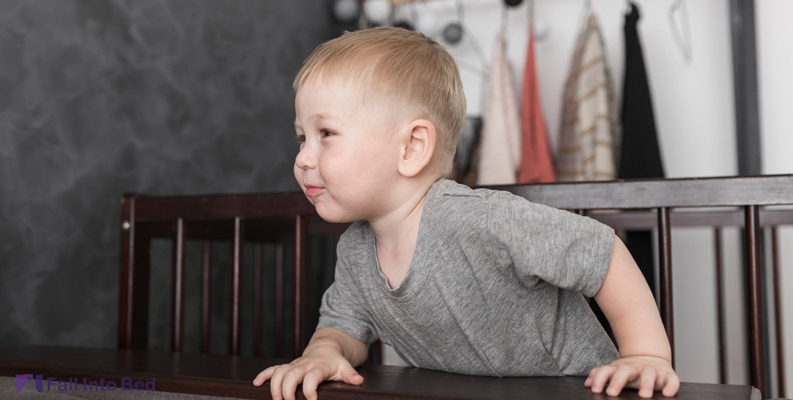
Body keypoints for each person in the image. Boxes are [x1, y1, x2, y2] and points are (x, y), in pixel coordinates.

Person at [253, 27, 679, 400]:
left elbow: (602, 253)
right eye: (300, 137)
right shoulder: (356, 250)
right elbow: (344, 326)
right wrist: (323, 353)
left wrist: (645, 354)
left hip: (576, 389)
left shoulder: (479, 220)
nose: (304, 158)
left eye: (325, 134)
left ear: (411, 148)